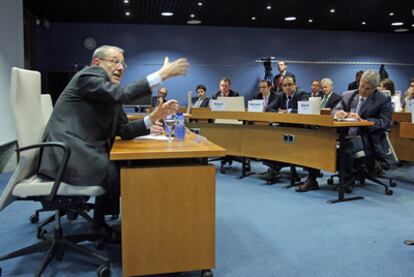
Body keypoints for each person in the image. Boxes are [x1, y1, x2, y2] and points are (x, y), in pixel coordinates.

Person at [38, 45, 190, 240]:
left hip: (84, 152)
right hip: (68, 155)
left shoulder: (110, 93)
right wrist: (161, 74)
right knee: (133, 180)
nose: (120, 67)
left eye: (122, 63)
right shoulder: (87, 77)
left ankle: (100, 225)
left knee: (129, 169)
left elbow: (124, 130)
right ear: (97, 63)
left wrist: (154, 116)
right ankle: (146, 238)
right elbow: (120, 95)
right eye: (114, 61)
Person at [296, 70, 393, 192]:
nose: (363, 90)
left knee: (345, 146)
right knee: (315, 141)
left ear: (375, 88)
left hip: (366, 138)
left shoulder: (383, 100)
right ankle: (312, 179)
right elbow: (333, 111)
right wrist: (337, 113)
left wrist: (364, 120)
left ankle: (347, 180)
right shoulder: (348, 95)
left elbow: (385, 122)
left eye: (367, 89)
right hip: (344, 134)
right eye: (361, 86)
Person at [258, 76, 308, 182]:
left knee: (281, 141)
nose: (287, 87)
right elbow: (270, 108)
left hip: (299, 130)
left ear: (295, 85)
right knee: (269, 139)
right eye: (285, 85)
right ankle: (273, 169)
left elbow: (303, 110)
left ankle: (274, 171)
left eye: (290, 85)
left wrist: (287, 111)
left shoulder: (302, 94)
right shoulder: (281, 95)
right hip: (284, 129)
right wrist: (279, 113)